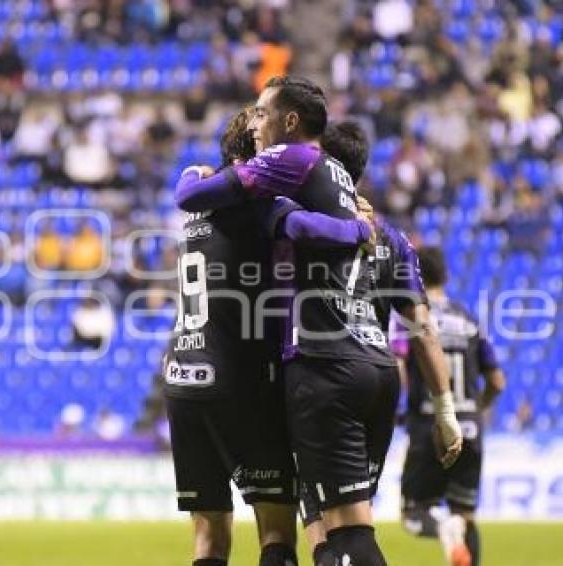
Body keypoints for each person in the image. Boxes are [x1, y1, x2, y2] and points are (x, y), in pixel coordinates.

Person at [176, 76, 462, 566]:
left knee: (328, 530)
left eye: (265, 114)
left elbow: (221, 207)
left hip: (316, 367)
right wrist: (443, 409)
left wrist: (190, 176)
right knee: (342, 524)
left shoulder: (282, 188)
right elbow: (423, 330)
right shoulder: (391, 236)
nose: (261, 126)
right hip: (377, 372)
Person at [165, 106, 374, 566]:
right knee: (277, 531)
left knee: (208, 539)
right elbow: (298, 227)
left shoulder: (197, 208)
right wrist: (357, 227)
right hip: (241, 378)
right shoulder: (256, 201)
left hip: (183, 376)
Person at [395, 247, 506, 566]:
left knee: (415, 514)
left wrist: (398, 410)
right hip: (470, 427)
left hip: (429, 427)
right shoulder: (469, 319)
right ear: (445, 275)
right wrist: (476, 409)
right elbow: (497, 381)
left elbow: (399, 366)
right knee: (466, 514)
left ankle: (445, 526)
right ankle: (456, 530)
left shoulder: (412, 316)